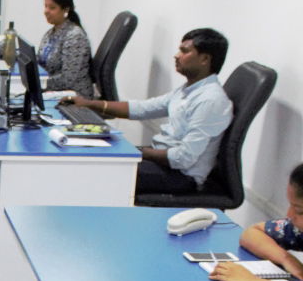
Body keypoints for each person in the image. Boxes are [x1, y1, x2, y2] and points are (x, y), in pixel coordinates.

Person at [63, 28, 233, 195]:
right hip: (162, 164)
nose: (176, 55)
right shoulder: (189, 89)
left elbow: (183, 158)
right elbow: (142, 108)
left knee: (98, 171)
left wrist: (137, 151)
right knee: (94, 158)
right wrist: (89, 104)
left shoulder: (210, 100)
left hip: (181, 177)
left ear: (204, 59)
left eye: (184, 51)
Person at [37, 0, 93, 97]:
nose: (46, 11)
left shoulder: (75, 36)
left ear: (65, 10)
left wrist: (38, 83)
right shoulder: (51, 32)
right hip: (55, 88)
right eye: (45, 6)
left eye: (52, 7)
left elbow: (67, 79)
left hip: (75, 94)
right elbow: (42, 60)